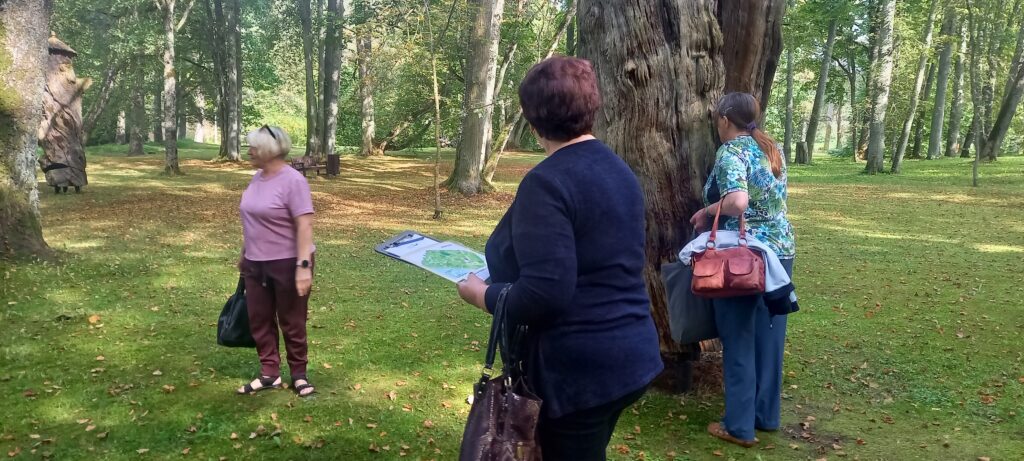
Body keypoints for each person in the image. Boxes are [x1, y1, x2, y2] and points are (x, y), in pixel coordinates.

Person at [456, 56, 664, 460]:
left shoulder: (546, 182)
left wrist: (481, 295)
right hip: (631, 352)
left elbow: (545, 293)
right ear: (592, 107)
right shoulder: (619, 170)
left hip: (579, 371)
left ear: (533, 121)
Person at [689, 92, 795, 447]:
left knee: (738, 338)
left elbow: (737, 201)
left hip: (743, 258)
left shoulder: (731, 151)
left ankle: (738, 426)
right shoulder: (771, 148)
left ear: (724, 120)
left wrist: (707, 212)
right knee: (769, 339)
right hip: (780, 253)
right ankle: (765, 416)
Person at [236, 125, 317, 397]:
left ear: (269, 150)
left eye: (254, 147)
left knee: (292, 321)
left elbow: (304, 224)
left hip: (288, 261)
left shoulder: (293, 181)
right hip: (255, 262)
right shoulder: (257, 179)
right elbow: (253, 220)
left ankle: (299, 375)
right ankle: (269, 373)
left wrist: (303, 267)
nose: (249, 151)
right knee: (259, 319)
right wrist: (245, 253)